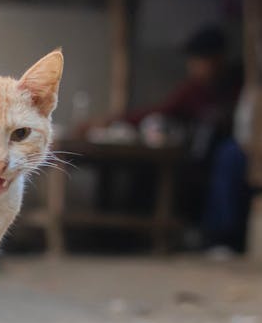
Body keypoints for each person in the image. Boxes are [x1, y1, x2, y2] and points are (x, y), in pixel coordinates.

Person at [83, 24, 250, 252]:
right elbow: (162, 111)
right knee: (150, 174)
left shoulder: (240, 83)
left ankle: (223, 238)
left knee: (229, 158)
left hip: (236, 149)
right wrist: (111, 121)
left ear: (218, 59)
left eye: (200, 61)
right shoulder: (193, 90)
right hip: (200, 158)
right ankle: (131, 239)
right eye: (192, 61)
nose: (194, 67)